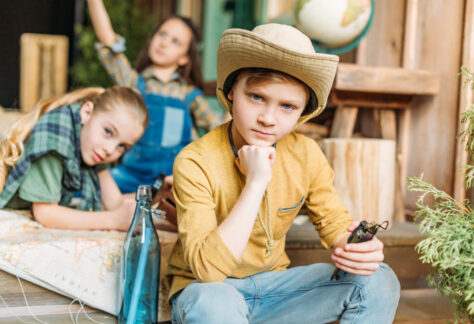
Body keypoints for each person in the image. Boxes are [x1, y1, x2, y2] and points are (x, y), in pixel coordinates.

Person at [166, 24, 400, 323]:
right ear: (230, 94)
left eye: (287, 106)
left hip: (276, 290)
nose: (267, 119)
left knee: (378, 278)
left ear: (301, 114)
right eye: (256, 98)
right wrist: (256, 182)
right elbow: (208, 271)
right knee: (215, 302)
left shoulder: (306, 154)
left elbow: (333, 223)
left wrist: (356, 248)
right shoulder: (195, 161)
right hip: (208, 291)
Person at [87, 0, 224, 195]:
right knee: (89, 190)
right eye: (162, 34)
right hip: (130, 176)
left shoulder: (189, 94)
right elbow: (109, 43)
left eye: (175, 42)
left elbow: (219, 128)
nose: (164, 43)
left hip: (173, 179)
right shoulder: (134, 83)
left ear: (184, 57)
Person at [0, 86, 148, 231]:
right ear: (87, 112)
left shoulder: (94, 145)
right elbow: (45, 213)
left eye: (122, 146)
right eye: (108, 131)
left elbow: (115, 202)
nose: (110, 150)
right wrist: (113, 220)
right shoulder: (55, 138)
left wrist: (157, 198)